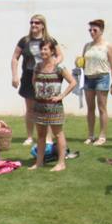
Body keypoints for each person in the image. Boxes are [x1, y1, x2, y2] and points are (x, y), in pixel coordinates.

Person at [12, 15, 63, 146]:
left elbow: (60, 55)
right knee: (30, 108)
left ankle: (48, 138)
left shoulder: (49, 40)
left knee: (47, 107)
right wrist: (14, 75)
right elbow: (15, 57)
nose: (33, 25)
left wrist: (52, 65)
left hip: (45, 77)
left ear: (43, 25)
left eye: (37, 22)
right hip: (29, 76)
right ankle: (29, 136)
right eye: (32, 22)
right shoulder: (24, 41)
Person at [30, 37, 76, 172]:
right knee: (40, 135)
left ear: (51, 52)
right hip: (39, 106)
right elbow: (34, 81)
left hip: (55, 107)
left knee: (58, 134)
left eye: (45, 49)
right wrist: (39, 92)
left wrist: (61, 95)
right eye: (41, 49)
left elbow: (73, 82)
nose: (42, 51)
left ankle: (61, 163)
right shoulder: (37, 66)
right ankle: (39, 162)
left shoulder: (59, 68)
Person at [81, 18, 112, 146]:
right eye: (90, 30)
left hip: (102, 77)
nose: (92, 32)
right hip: (88, 78)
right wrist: (78, 63)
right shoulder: (87, 46)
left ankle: (102, 136)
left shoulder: (107, 46)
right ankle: (90, 135)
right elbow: (82, 62)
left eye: (94, 30)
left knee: (102, 108)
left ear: (101, 31)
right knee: (90, 108)